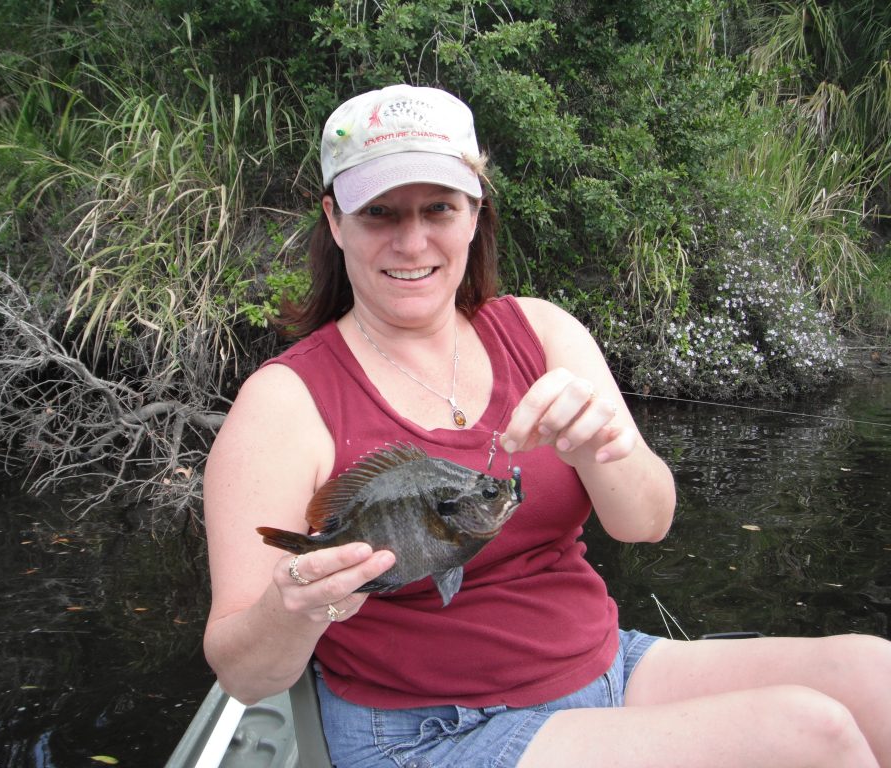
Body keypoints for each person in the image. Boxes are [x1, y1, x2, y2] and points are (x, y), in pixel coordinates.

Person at [202, 84, 891, 767]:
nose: (411, 241)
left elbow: (646, 523)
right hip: (433, 731)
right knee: (810, 736)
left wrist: (606, 447)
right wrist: (295, 606)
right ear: (335, 219)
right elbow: (244, 672)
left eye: (439, 207)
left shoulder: (542, 332)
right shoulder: (285, 402)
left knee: (875, 678)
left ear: (475, 212)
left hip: (605, 666)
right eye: (380, 212)